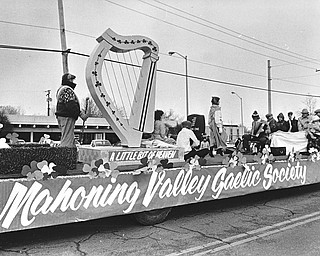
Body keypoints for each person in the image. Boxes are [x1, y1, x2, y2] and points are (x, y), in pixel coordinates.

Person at [55, 73, 88, 147]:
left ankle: (70, 154)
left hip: (62, 117)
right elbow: (71, 105)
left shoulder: (61, 89)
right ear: (68, 81)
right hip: (67, 117)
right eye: (71, 80)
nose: (73, 82)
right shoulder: (67, 90)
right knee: (67, 140)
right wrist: (80, 114)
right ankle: (66, 155)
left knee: (67, 137)